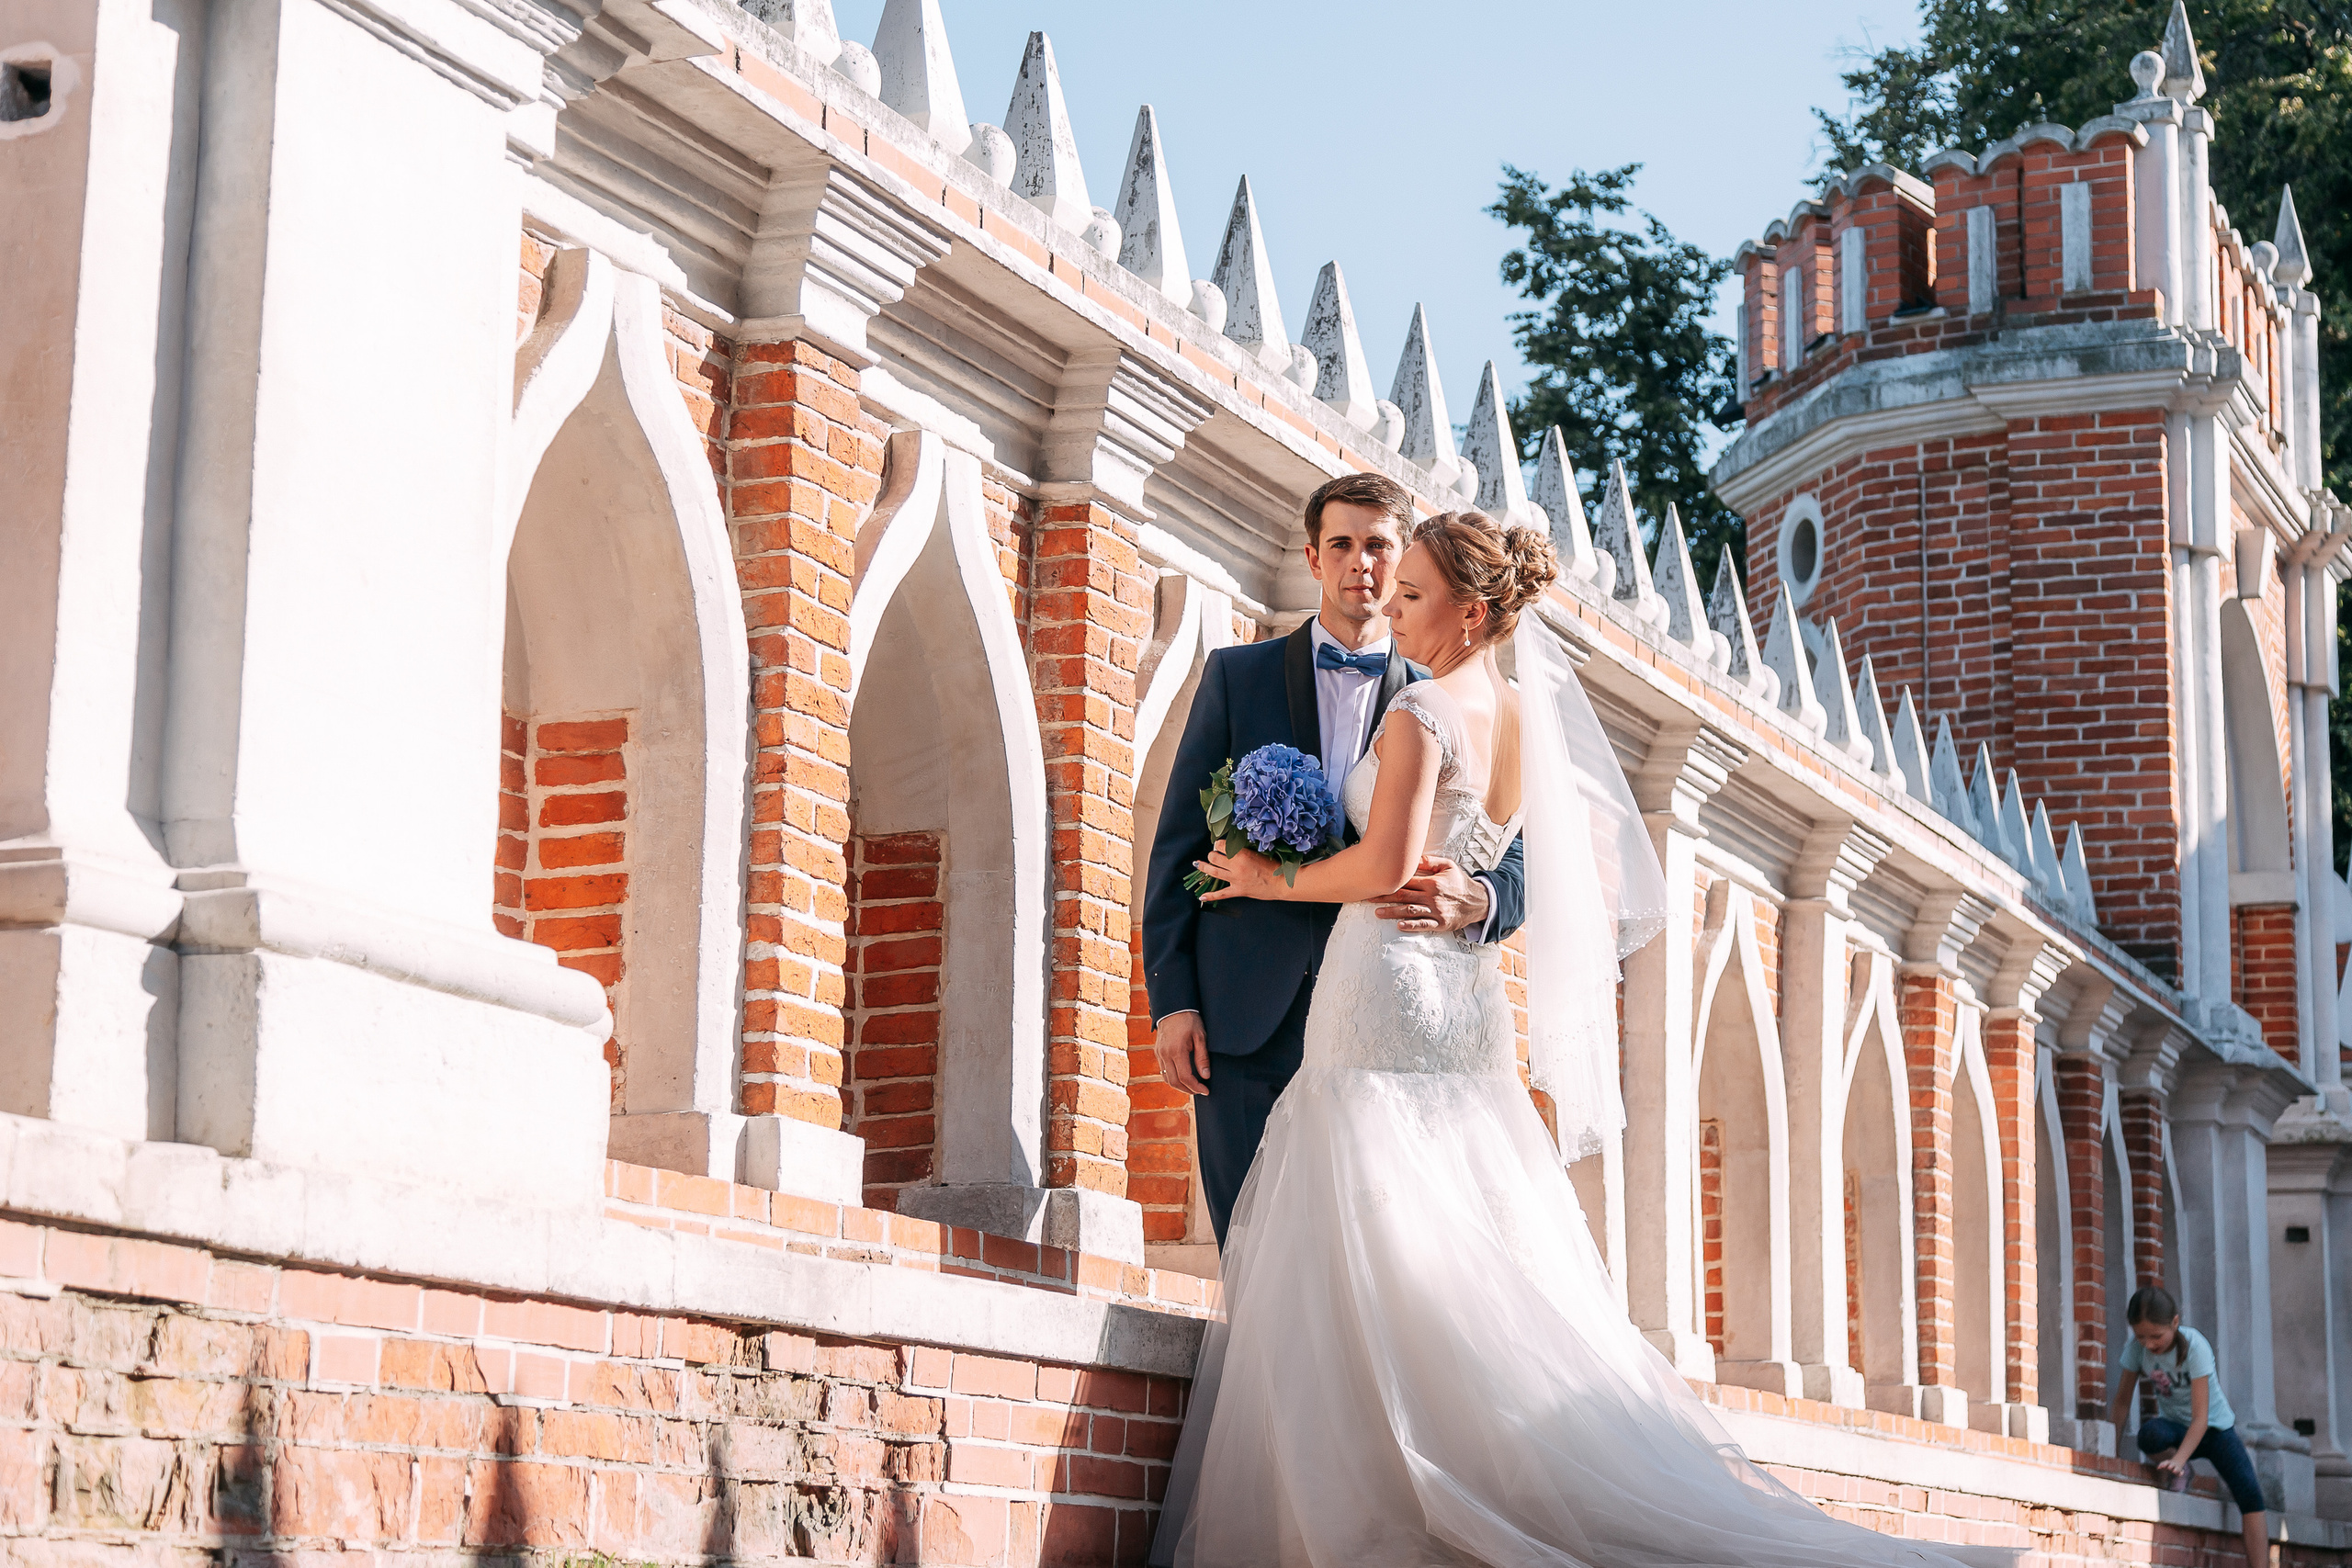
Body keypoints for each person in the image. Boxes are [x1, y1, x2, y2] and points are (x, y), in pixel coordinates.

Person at [1149, 509, 2008, 1568]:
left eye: (1413, 595)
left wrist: (1265, 875)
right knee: (1457, 1230)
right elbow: (1506, 847)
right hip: (1461, 1011)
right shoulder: (1515, 710)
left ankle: (1397, 1490)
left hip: (1382, 991)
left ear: (1470, 611)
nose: (1394, 609)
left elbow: (1381, 872)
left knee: (1371, 1214)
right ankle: (1469, 1458)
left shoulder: (1421, 707)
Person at [1140, 472, 1525, 1245]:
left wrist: (1478, 900)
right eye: (1343, 545)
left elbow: (1521, 870)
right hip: (1245, 1017)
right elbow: (1178, 843)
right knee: (1257, 1263)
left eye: (1381, 546)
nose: (1363, 565)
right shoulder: (1234, 676)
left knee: (1380, 1257)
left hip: (1385, 1022)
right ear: (1313, 558)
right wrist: (1173, 999)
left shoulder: (1440, 696)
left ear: (1404, 557)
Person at [2109, 1285, 2272, 1563]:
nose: (2148, 1344)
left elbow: (2201, 1418)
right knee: (2149, 1435)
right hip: (2175, 1429)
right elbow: (2122, 1402)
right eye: (2141, 1336)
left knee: (2250, 1495)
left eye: (2156, 1336)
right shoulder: (2137, 1350)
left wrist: (2180, 1460)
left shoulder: (2195, 1346)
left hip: (2215, 1431)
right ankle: (2183, 1473)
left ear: (2175, 1322)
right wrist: (2108, 1452)